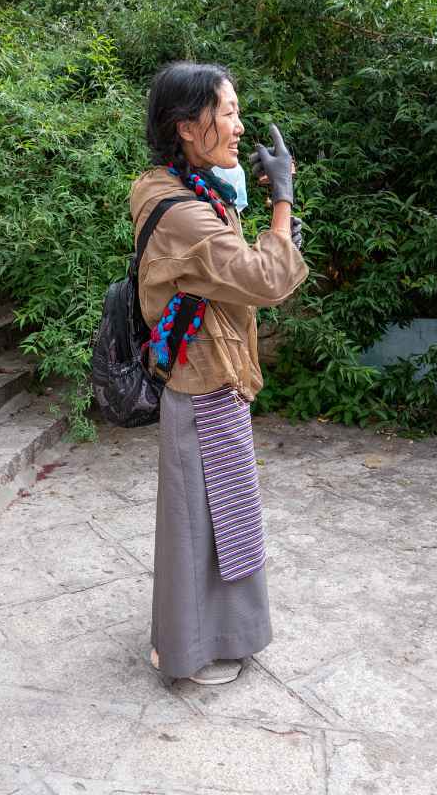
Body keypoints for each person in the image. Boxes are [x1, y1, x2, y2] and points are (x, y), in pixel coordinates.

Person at [130, 61, 308, 685]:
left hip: (218, 373)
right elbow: (266, 278)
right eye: (227, 112)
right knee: (197, 521)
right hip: (201, 378)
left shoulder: (195, 187)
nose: (239, 125)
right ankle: (187, 648)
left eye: (237, 110)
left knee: (224, 514)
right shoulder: (177, 206)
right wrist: (281, 200)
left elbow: (243, 262)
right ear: (186, 126)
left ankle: (219, 631)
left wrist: (251, 193)